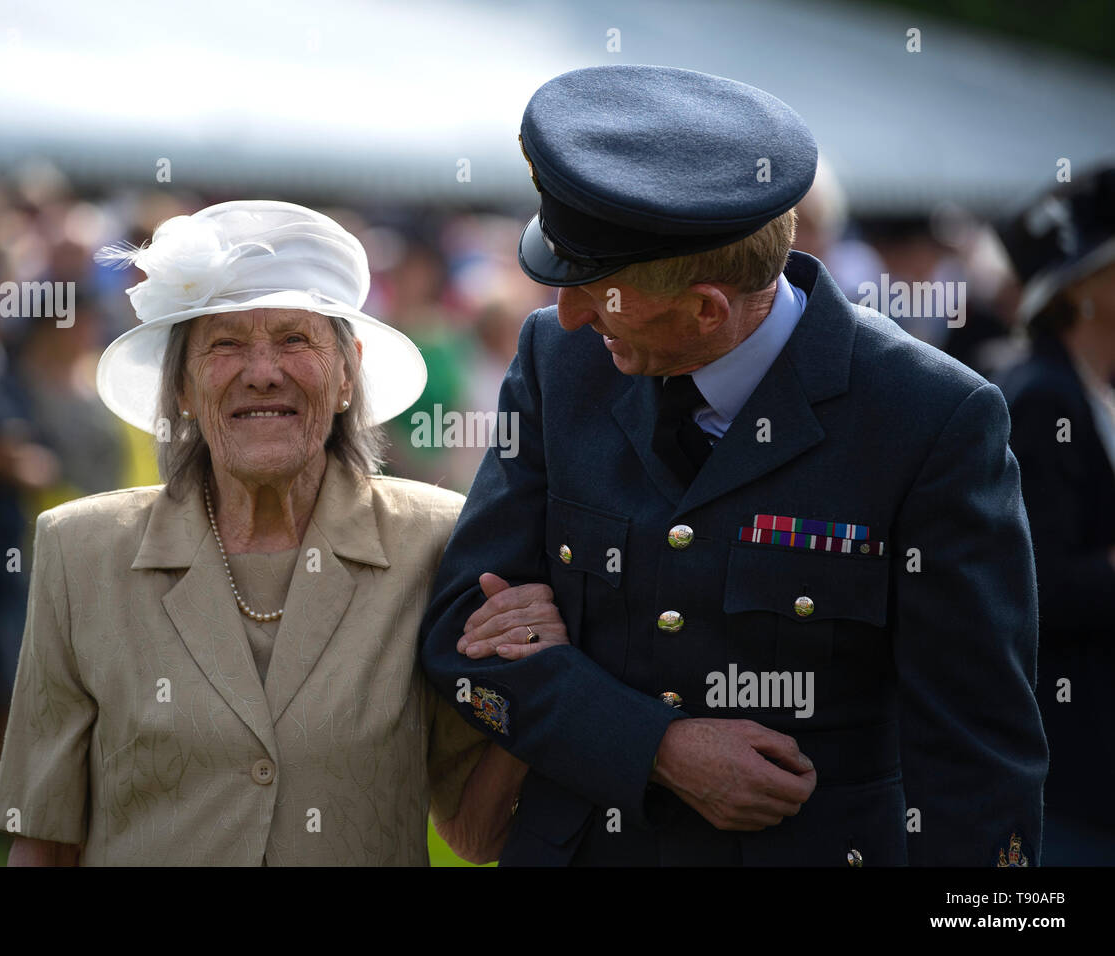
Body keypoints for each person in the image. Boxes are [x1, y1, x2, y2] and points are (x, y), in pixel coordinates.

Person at [420, 65, 1048, 866]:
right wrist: (658, 746)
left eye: (597, 293)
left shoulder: (929, 418)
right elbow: (457, 647)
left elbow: (977, 753)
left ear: (708, 308)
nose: (567, 313)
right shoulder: (559, 359)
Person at [0, 201, 529, 865]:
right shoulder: (82, 554)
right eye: (225, 344)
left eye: (295, 340)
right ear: (182, 383)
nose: (263, 370)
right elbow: (42, 842)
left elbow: (476, 836)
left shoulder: (437, 545)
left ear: (346, 373)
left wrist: (533, 674)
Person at [997, 165, 1115, 865]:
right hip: (1071, 764)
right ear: (1085, 287)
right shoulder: (1044, 398)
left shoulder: (1083, 387)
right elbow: (1030, 586)